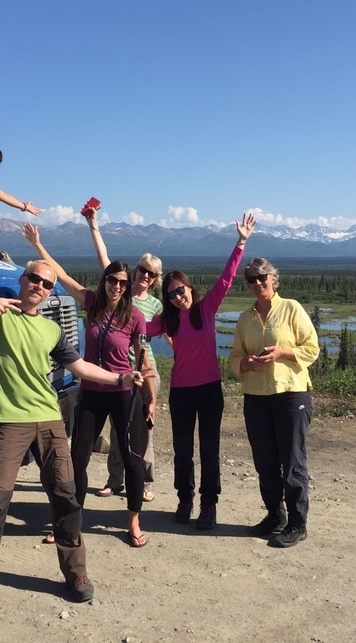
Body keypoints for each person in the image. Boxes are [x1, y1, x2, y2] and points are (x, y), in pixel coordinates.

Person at [0, 261, 147, 626]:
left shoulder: (51, 329)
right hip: (9, 423)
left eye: (46, 284)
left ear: (50, 291)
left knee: (66, 499)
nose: (39, 286)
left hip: (49, 420)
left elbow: (81, 368)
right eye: (33, 278)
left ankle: (76, 574)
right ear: (22, 281)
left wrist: (120, 378)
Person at [22, 223, 152, 548]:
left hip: (125, 395)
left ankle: (133, 520)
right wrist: (38, 245)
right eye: (112, 280)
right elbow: (62, 275)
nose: (117, 286)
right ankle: (69, 522)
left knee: (133, 458)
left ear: (128, 285)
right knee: (77, 459)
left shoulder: (136, 318)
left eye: (123, 282)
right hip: (92, 394)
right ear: (105, 280)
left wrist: (149, 399)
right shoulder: (91, 303)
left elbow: (144, 358)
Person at [145, 212, 256, 530]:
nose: (178, 297)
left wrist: (241, 242)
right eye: (171, 294)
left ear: (190, 289)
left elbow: (226, 278)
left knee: (209, 449)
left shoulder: (207, 309)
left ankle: (209, 505)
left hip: (209, 391)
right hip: (180, 392)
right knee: (182, 450)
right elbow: (138, 326)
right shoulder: (167, 321)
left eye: (181, 290)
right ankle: (185, 499)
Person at [230, 258, 319, 548]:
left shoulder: (291, 308)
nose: (257, 283)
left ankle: (297, 522)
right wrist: (245, 362)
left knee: (292, 460)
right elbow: (234, 358)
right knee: (265, 461)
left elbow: (312, 347)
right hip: (256, 396)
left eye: (262, 277)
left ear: (273, 278)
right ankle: (274, 516)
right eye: (251, 279)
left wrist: (282, 353)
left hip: (291, 394)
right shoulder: (245, 319)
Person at [86, 210, 163, 503]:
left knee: (143, 428)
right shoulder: (117, 290)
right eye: (142, 269)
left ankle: (143, 481)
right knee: (119, 427)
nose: (144, 275)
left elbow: (169, 332)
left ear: (156, 280)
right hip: (117, 369)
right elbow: (102, 255)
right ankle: (115, 479)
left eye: (151, 273)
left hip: (144, 368)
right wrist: (94, 225)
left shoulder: (156, 305)